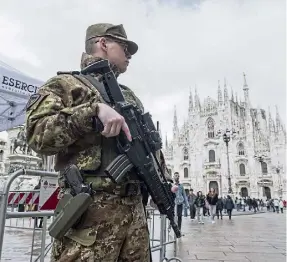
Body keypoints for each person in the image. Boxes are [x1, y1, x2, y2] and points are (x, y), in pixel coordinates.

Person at [25, 23, 172, 262]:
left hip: (134, 220)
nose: (129, 55)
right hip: (89, 219)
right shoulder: (65, 84)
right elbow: (36, 135)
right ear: (103, 44)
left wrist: (164, 180)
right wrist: (92, 113)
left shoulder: (129, 95)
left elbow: (148, 146)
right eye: (125, 47)